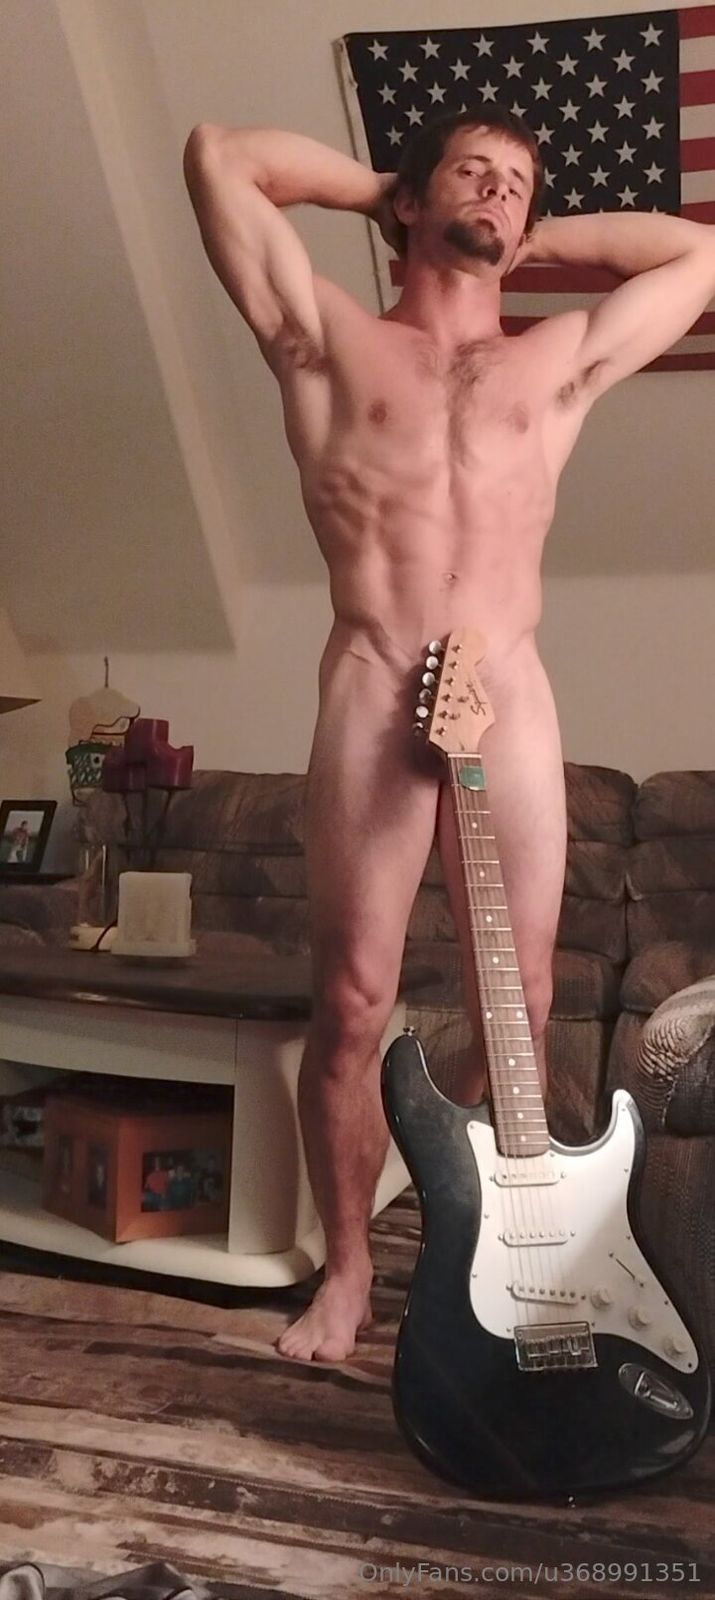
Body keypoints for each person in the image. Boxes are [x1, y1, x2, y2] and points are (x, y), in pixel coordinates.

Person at [183, 106, 715, 1363]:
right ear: (413, 202)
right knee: (352, 999)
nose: (495, 191)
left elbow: (699, 255)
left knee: (520, 1002)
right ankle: (345, 1274)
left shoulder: (557, 359)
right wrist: (389, 186)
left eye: (516, 182)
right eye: (470, 172)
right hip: (376, 672)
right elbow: (218, 155)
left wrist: (534, 232)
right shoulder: (327, 338)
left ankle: (441, 1200)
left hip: (506, 684)